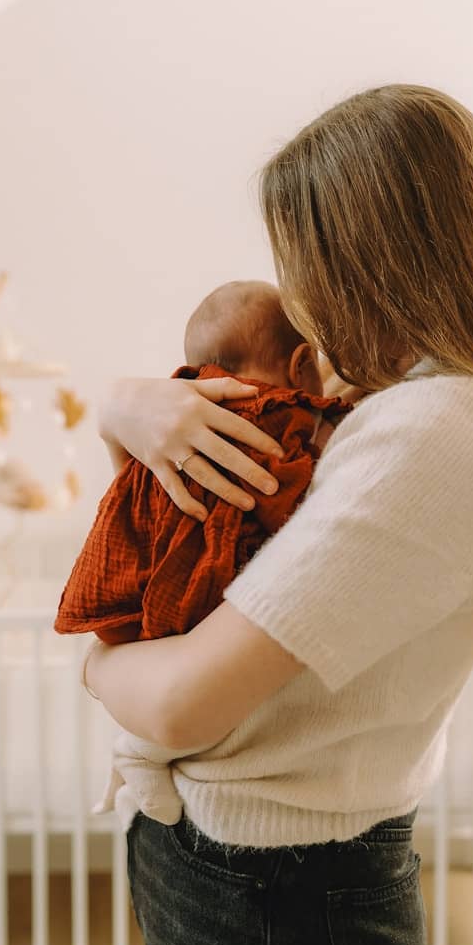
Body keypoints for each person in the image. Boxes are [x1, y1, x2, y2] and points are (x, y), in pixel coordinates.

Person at [81, 84, 473, 945]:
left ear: (363, 263)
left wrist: (98, 657)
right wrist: (126, 405)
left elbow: (179, 698)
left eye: (305, 265)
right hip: (245, 874)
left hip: (274, 893)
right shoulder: (394, 411)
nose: (304, 308)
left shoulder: (435, 431)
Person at [55, 279, 351, 824]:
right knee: (214, 698)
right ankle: (140, 753)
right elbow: (285, 485)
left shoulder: (174, 409)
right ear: (300, 362)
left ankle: (136, 750)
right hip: (214, 582)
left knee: (179, 669)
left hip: (153, 579)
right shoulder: (285, 414)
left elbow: (132, 488)